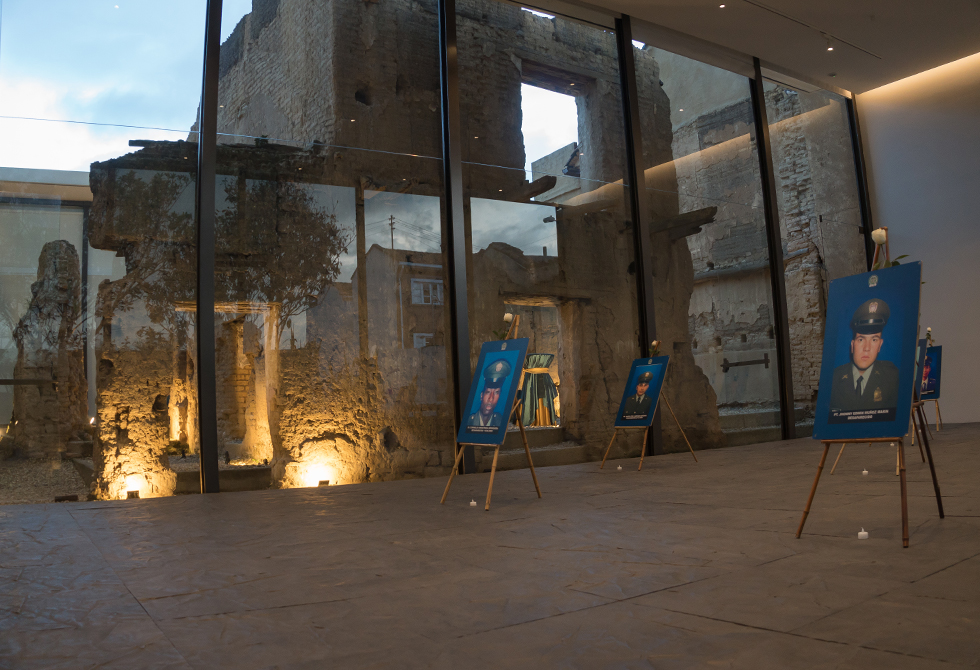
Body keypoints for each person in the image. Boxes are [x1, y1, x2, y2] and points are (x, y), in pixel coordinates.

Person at [829, 299, 899, 412]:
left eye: (874, 340)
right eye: (861, 339)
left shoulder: (892, 378)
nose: (867, 348)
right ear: (853, 345)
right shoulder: (833, 379)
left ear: (880, 345)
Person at [467, 358, 512, 428]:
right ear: (481, 395)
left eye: (496, 392)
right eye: (488, 392)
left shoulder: (501, 422)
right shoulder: (468, 422)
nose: (491, 399)